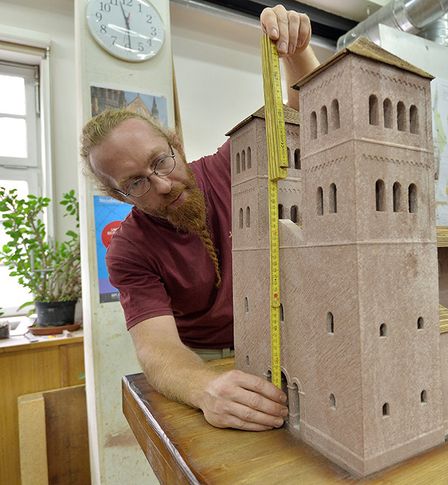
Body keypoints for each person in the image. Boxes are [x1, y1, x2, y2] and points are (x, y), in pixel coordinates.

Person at [80, 5, 319, 431]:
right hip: (205, 358)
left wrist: (297, 51)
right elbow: (158, 350)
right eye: (136, 183)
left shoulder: (232, 166)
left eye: (161, 161)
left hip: (279, 336)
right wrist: (203, 387)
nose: (163, 185)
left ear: (177, 144)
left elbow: (303, 119)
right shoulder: (129, 251)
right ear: (117, 194)